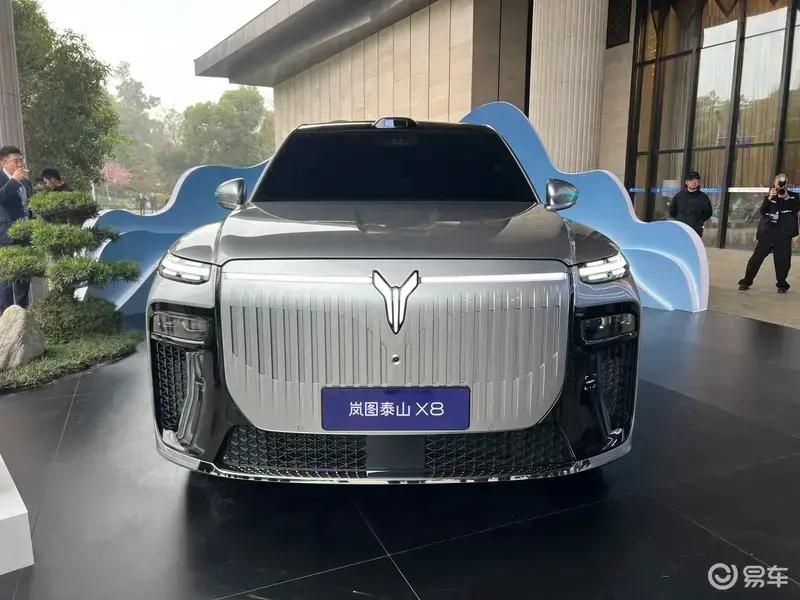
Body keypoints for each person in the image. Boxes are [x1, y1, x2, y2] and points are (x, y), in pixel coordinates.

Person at [738, 173, 800, 294]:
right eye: (778, 183)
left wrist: (787, 197)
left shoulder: (793, 196)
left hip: (783, 234)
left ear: (787, 184)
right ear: (774, 183)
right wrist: (770, 198)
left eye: (783, 183)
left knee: (783, 261)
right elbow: (763, 211)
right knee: (756, 259)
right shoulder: (769, 196)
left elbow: (796, 208)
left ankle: (782, 284)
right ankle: (746, 281)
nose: (780, 186)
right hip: (767, 233)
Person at [0, 146, 33, 313]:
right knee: (5, 280)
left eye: (21, 160)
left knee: (24, 275)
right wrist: (13, 181)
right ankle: (5, 318)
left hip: (26, 235)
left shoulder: (26, 182)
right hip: (5, 236)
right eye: (16, 161)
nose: (20, 164)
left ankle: (23, 312)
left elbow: (29, 207)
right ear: (3, 163)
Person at [668, 170, 713, 238]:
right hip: (680, 229)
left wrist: (699, 221)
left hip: (696, 230)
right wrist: (680, 219)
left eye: (696, 180)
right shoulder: (679, 196)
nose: (694, 182)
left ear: (699, 182)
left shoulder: (703, 197)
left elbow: (708, 213)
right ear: (686, 182)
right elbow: (672, 211)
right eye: (691, 180)